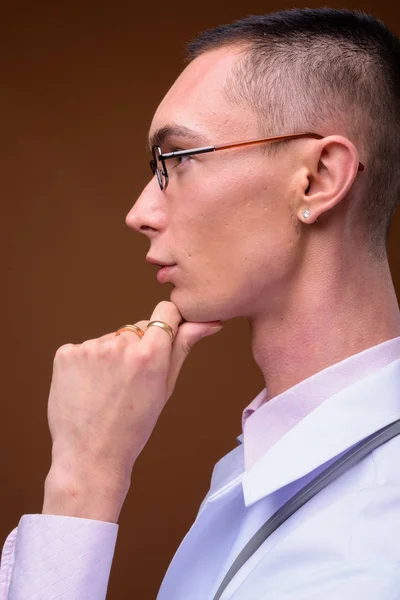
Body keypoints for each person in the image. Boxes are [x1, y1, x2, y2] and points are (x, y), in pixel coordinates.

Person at [2, 6, 400, 599]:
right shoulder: (281, 459)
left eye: (179, 158)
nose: (140, 213)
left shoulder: (364, 549)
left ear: (318, 178)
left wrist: (82, 482)